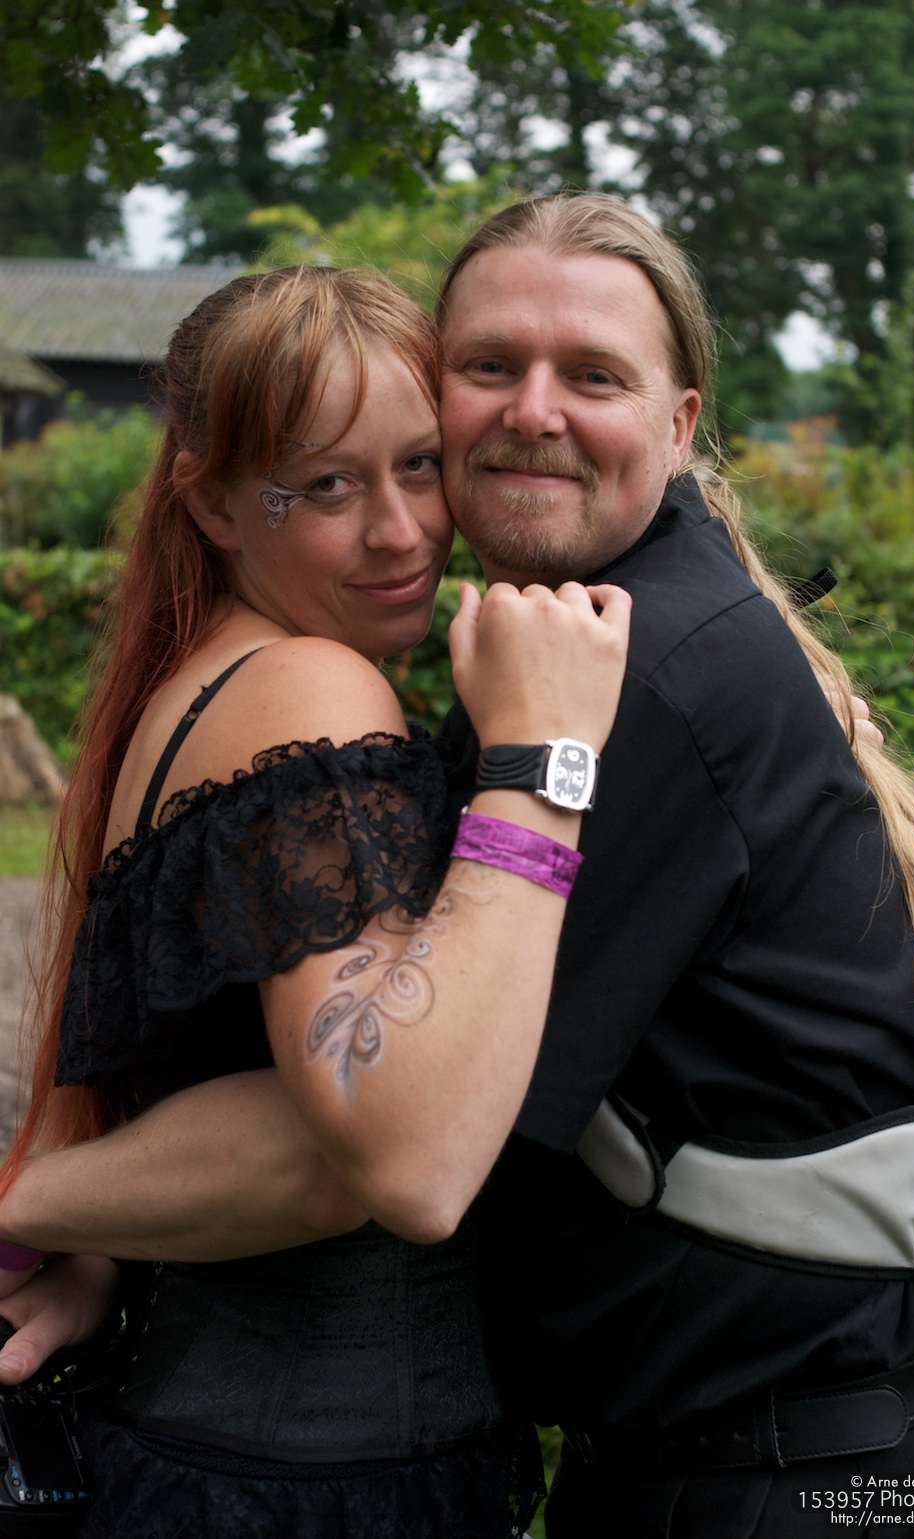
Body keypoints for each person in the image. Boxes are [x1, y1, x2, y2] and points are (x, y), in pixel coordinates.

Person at [0, 194, 914, 1537]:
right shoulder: (435, 672)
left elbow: (385, 1146)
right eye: (490, 365)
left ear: (678, 422)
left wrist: (41, 1208)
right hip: (433, 1469)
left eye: (592, 374)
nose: (402, 526)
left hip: (783, 1476)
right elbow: (373, 1125)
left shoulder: (622, 676)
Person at [0, 261, 630, 1538]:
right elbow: (402, 1156)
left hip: (215, 1455)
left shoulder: (207, 679)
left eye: (420, 466)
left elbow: (239, 1096)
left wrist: (62, 1219)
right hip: (310, 1488)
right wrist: (543, 759)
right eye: (327, 487)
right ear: (214, 504)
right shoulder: (310, 691)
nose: (401, 532)